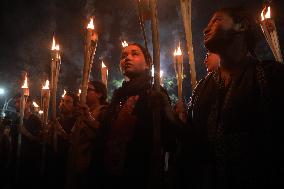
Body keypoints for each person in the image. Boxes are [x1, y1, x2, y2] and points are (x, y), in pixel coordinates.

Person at [179, 6, 284, 189]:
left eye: (216, 20)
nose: (205, 29)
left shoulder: (271, 76)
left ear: (241, 26)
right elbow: (192, 143)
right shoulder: (202, 89)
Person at [93, 43, 178, 189]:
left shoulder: (155, 93)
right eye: (124, 56)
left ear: (147, 64)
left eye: (134, 54)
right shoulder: (118, 96)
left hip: (139, 176)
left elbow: (170, 139)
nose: (127, 58)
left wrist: (165, 111)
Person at [65, 81, 108, 189]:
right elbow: (73, 138)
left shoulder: (105, 111)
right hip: (76, 164)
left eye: (88, 90)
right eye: (82, 90)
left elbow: (104, 134)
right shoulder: (80, 114)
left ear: (99, 94)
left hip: (92, 166)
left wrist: (88, 118)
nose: (83, 93)